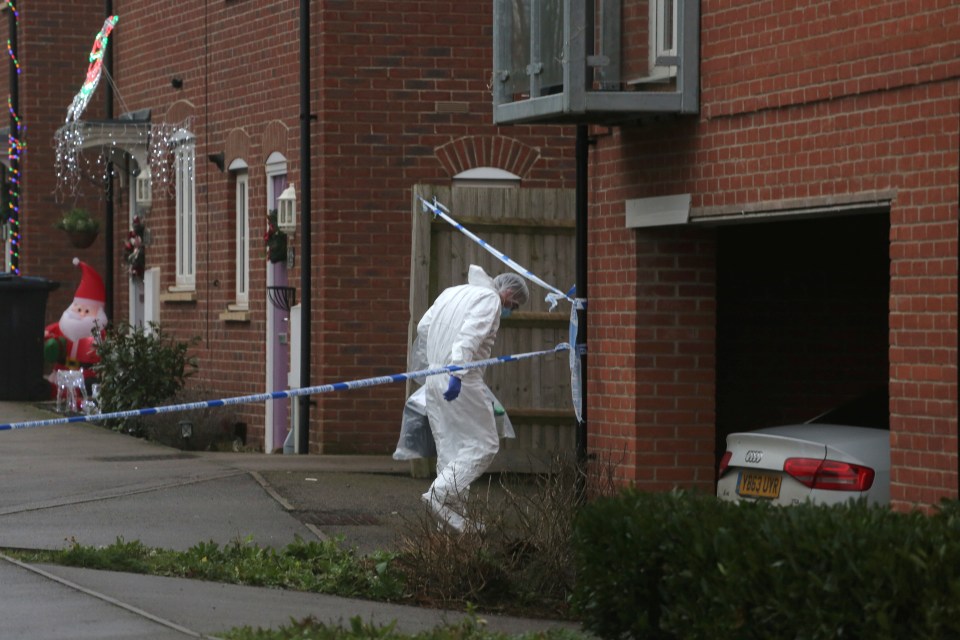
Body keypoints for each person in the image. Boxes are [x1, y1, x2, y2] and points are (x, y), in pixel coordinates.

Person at [415, 264, 529, 532]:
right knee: (485, 443)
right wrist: (457, 371)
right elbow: (469, 336)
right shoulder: (489, 300)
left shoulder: (451, 292)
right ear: (509, 292)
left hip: (435, 375)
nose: (512, 310)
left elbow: (423, 327)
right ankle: (439, 494)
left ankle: (453, 521)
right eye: (515, 304)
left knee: (451, 447)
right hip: (461, 377)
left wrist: (439, 361)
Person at [44, 258, 108, 393]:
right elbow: (47, 334)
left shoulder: (99, 334)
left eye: (88, 311)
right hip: (62, 374)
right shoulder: (62, 327)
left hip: (86, 377)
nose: (82, 315)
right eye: (79, 310)